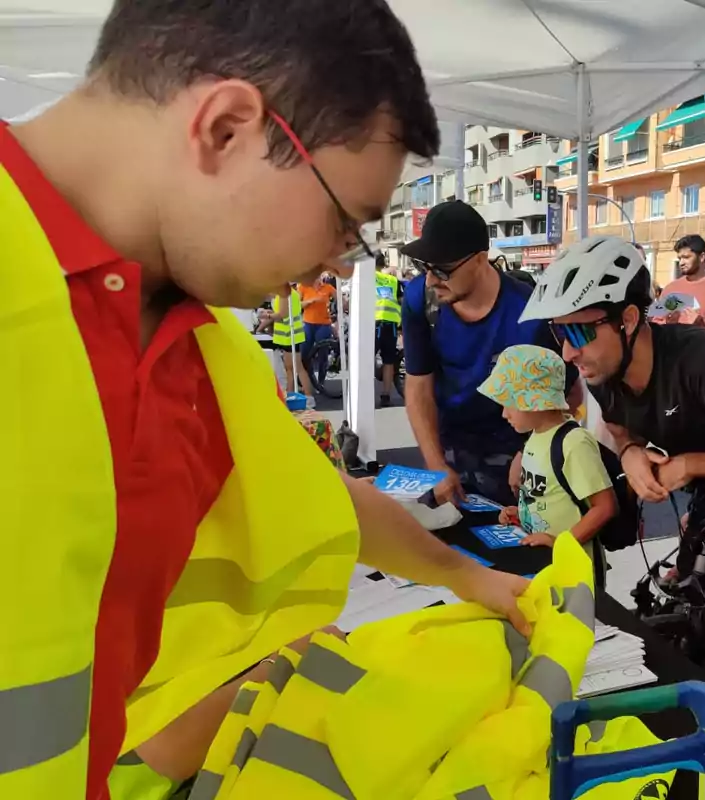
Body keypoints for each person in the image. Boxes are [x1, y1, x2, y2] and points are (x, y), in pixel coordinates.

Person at [0, 3, 531, 796]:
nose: (333, 265)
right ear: (227, 128)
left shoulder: (202, 344)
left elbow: (321, 500)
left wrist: (469, 576)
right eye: (345, 223)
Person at [519, 234, 705, 743]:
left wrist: (688, 464)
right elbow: (619, 430)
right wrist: (632, 453)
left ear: (630, 319)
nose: (569, 352)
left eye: (578, 329)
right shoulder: (601, 371)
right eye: (558, 333)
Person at [400, 200, 580, 507]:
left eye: (442, 269)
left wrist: (530, 452)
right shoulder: (422, 299)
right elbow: (418, 386)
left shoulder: (529, 313)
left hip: (515, 449)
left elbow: (570, 396)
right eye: (424, 267)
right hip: (450, 446)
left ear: (480, 260)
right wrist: (435, 464)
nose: (431, 280)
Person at [477, 345, 616, 565]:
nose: (504, 414)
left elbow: (604, 507)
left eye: (510, 404)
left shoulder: (573, 442)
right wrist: (522, 516)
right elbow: (546, 497)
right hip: (546, 562)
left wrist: (561, 542)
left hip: (574, 567)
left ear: (537, 401)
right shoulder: (535, 436)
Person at [264, 283, 317, 405]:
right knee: (290, 368)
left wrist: (267, 315)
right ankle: (291, 394)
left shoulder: (285, 294)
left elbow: (282, 314)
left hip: (290, 335)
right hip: (288, 335)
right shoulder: (288, 294)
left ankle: (308, 397)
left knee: (297, 367)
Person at [298, 271, 336, 389]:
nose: (318, 279)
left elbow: (340, 299)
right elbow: (297, 304)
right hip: (308, 323)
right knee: (305, 353)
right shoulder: (303, 287)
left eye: (319, 276)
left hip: (323, 324)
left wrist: (335, 307)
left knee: (323, 353)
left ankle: (321, 382)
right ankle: (304, 379)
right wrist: (310, 301)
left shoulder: (328, 287)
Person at [375, 252, 404, 406]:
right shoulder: (393, 280)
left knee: (366, 358)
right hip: (391, 324)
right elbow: (401, 300)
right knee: (389, 361)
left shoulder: (368, 277)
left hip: (374, 322)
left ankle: (363, 393)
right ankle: (386, 394)